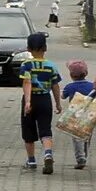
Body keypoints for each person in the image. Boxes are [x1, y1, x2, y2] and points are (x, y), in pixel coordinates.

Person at [18, 31, 63, 174]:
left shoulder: (26, 65)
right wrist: (58, 103)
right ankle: (48, 153)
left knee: (28, 131)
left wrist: (27, 102)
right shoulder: (51, 66)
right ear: (45, 48)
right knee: (45, 129)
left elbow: (27, 81)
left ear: (28, 49)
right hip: (45, 100)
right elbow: (55, 86)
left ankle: (31, 161)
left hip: (30, 99)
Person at [60, 58, 96, 170]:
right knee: (87, 136)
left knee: (76, 137)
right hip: (89, 115)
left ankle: (80, 158)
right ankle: (84, 155)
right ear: (86, 73)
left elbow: (63, 96)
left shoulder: (69, 87)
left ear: (71, 75)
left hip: (75, 115)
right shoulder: (92, 86)